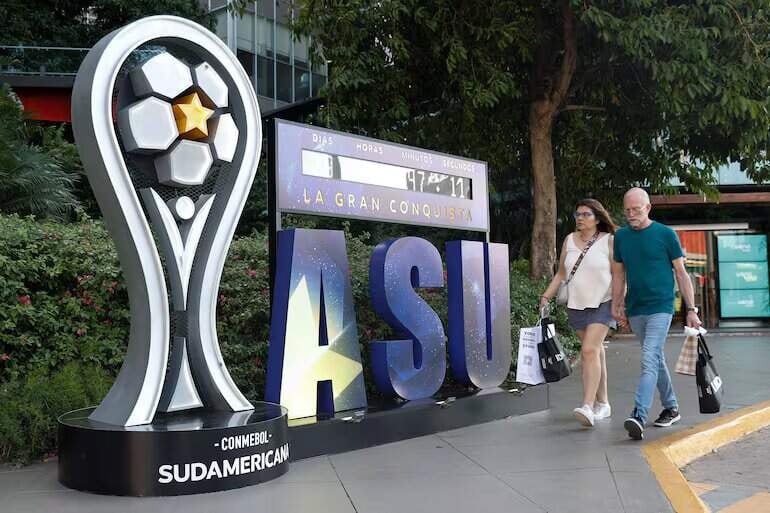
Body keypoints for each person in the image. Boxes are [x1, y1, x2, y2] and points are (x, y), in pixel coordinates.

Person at [612, 188, 702, 440]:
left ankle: (639, 414)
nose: (631, 215)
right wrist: (616, 304)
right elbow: (618, 274)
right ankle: (671, 407)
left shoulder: (665, 234)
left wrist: (691, 309)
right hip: (636, 307)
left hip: (661, 307)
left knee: (648, 358)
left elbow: (682, 275)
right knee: (656, 358)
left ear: (648, 208)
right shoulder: (621, 238)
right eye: (627, 210)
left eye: (636, 210)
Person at [540, 199, 619, 427]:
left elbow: (618, 274)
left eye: (585, 214)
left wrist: (619, 301)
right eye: (578, 214)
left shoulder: (608, 241)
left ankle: (587, 406)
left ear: (597, 218)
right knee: (595, 353)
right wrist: (546, 296)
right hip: (576, 305)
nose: (580, 218)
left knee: (588, 351)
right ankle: (603, 403)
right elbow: (561, 274)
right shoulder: (569, 241)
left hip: (603, 303)